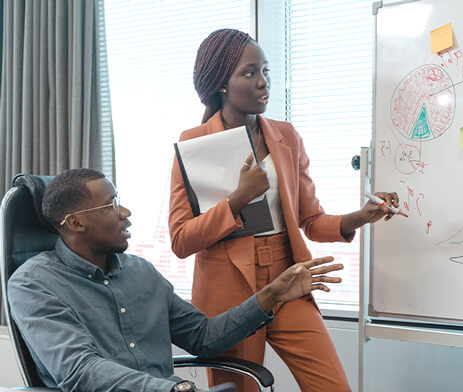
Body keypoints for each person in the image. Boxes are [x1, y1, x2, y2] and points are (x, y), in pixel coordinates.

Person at [169, 28, 400, 392]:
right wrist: (238, 200)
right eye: (250, 73)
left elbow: (309, 220)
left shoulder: (286, 136)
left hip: (288, 277)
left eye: (266, 71)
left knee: (333, 386)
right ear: (221, 84)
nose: (264, 83)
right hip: (229, 289)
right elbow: (181, 239)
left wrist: (360, 216)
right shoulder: (194, 143)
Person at [7, 168, 344, 392]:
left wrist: (271, 294)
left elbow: (203, 337)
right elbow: (79, 370)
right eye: (112, 205)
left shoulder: (140, 272)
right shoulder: (33, 284)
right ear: (75, 223)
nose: (125, 214)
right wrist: (171, 388)